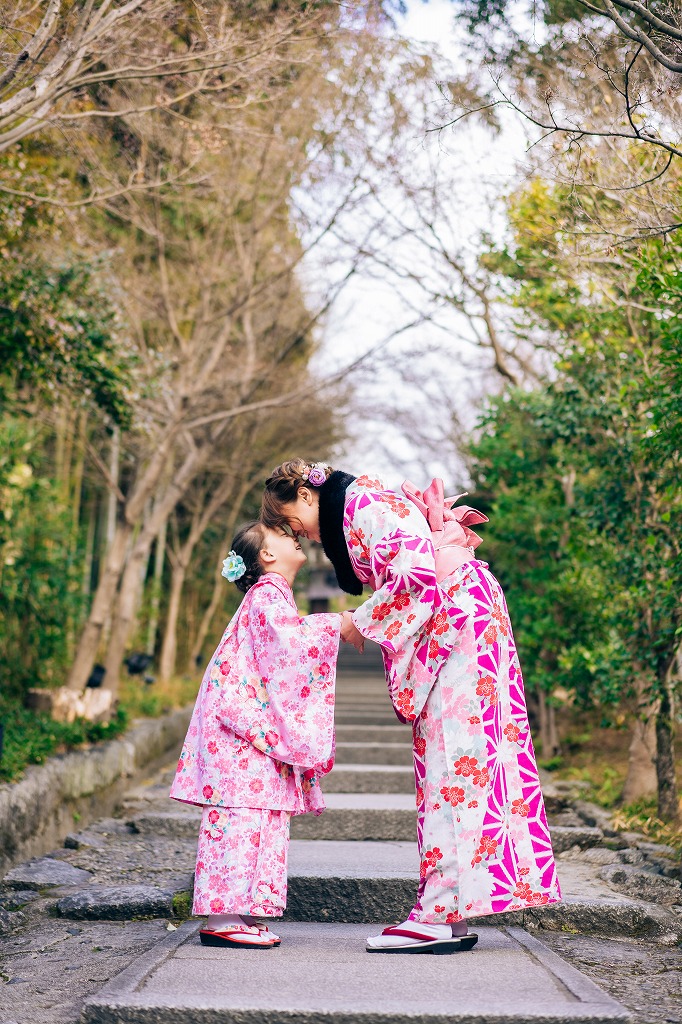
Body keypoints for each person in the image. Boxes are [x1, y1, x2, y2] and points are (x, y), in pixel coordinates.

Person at [261, 459, 561, 954]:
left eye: (292, 518)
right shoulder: (364, 502)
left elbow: (415, 574)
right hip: (465, 616)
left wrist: (359, 620)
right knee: (467, 762)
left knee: (452, 763)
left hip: (456, 621)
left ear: (308, 495)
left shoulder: (362, 503)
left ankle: (438, 913)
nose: (298, 532)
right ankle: (452, 910)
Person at [170, 521, 341, 948]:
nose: (293, 535)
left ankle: (241, 912)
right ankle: (222, 917)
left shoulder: (269, 595)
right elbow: (291, 643)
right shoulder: (266, 594)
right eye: (282, 534)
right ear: (266, 555)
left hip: (245, 729)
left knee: (257, 818)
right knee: (240, 819)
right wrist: (338, 624)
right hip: (240, 731)